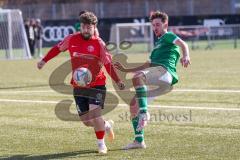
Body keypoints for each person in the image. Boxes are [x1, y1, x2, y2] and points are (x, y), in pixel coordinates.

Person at [37, 11, 125, 154]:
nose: (85, 30)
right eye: (83, 27)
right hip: (78, 86)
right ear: (80, 27)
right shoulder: (71, 39)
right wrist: (44, 60)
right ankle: (106, 125)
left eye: (88, 27)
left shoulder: (99, 43)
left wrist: (118, 81)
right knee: (86, 121)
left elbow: (108, 64)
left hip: (97, 84)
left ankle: (101, 144)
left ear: (94, 27)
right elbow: (57, 49)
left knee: (95, 114)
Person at [114, 11, 190, 149]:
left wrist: (186, 56)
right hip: (158, 80)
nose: (155, 28)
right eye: (153, 25)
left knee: (138, 78)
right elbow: (146, 65)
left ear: (165, 24)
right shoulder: (158, 45)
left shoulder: (168, 36)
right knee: (133, 106)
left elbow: (183, 43)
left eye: (158, 25)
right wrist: (125, 69)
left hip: (164, 72)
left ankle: (144, 113)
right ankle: (139, 141)